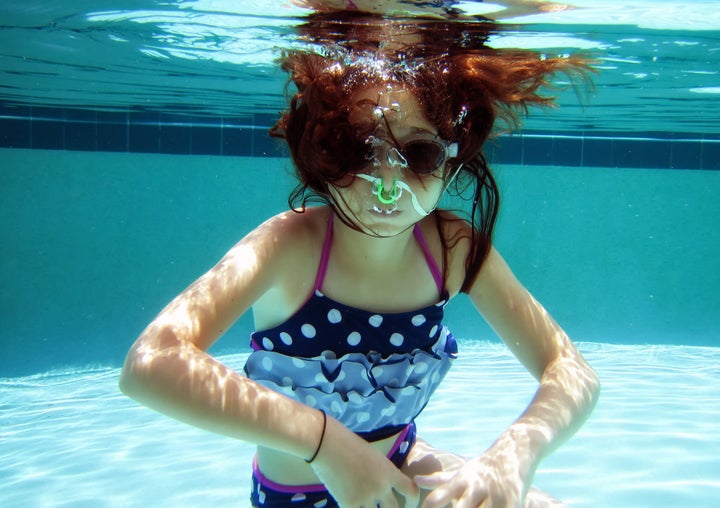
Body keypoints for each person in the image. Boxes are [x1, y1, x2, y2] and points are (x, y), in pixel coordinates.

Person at [120, 47, 600, 507]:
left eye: (419, 154)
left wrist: (512, 458)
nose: (388, 187)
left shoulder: (453, 248)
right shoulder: (291, 247)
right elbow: (151, 362)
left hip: (402, 467)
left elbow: (571, 370)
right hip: (295, 498)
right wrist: (325, 444)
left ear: (451, 159)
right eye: (356, 150)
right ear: (321, 153)